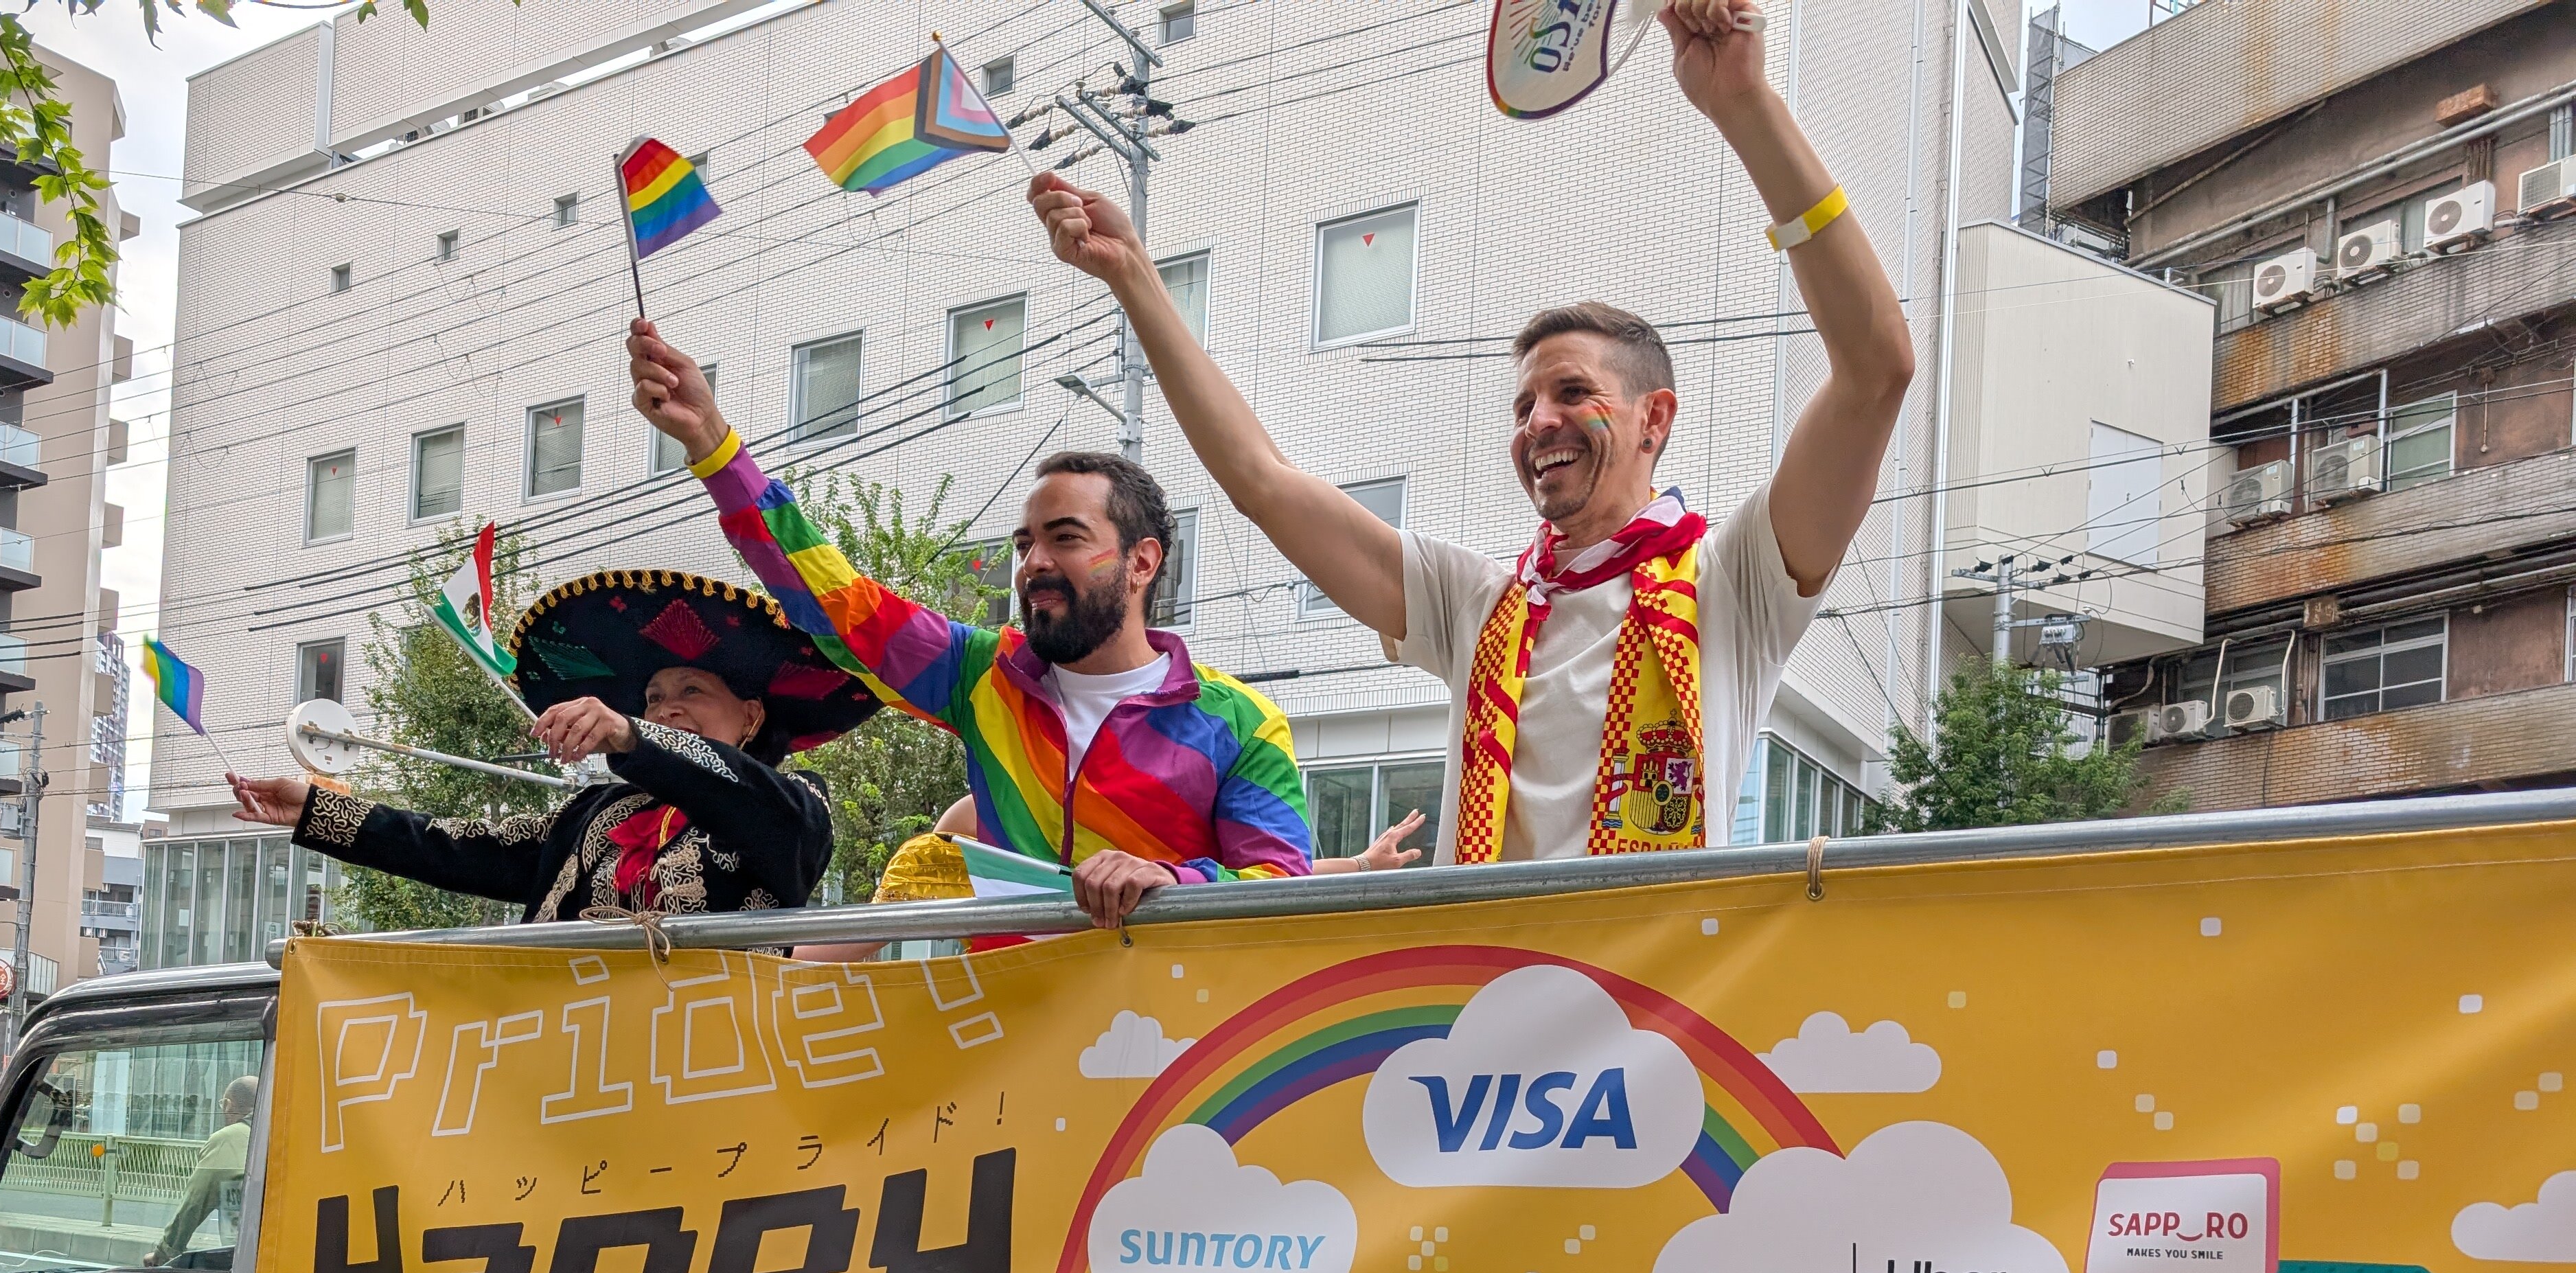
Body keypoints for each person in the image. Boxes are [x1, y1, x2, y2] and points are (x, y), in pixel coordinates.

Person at [1028, 0, 1915, 866]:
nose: (1540, 423)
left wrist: (1745, 106)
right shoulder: (1478, 605)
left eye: (1573, 392)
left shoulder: (1733, 584)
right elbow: (1263, 482)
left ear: (1657, 419)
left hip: (1655, 1010)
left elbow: (1877, 368)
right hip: (1473, 1005)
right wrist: (1136, 279)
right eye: (1523, 407)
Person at [627, 321, 1313, 930]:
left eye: (1066, 539)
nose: (1033, 565)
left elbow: (1283, 888)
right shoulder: (981, 675)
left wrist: (1171, 880)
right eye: (1024, 546)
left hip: (1172, 1053)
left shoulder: (1244, 723)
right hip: (1003, 1039)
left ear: (1142, 562)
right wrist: (713, 445)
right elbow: (833, 598)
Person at [227, 571, 882, 920]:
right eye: (652, 698)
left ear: (751, 715)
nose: (665, 708)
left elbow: (759, 807)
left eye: (691, 690)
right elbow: (453, 845)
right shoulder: (596, 813)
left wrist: (634, 733)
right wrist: (318, 811)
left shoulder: (798, 804)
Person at [150, 1073, 255, 1267]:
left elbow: (195, 1202)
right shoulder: (284, 1135)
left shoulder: (227, 1139)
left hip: (246, 1261)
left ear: (228, 1105)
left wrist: (164, 1253)